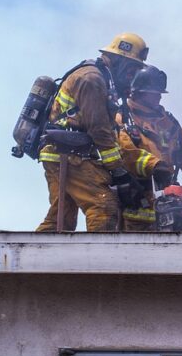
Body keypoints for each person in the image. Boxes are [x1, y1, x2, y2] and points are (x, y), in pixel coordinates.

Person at [36, 33, 148, 232]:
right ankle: (98, 261)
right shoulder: (92, 79)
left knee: (60, 220)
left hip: (59, 153)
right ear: (118, 60)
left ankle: (37, 260)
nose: (131, 76)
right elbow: (98, 129)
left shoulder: (99, 77)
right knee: (103, 207)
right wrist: (118, 171)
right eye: (131, 69)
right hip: (69, 156)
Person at [116, 65, 182, 231]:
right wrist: (155, 166)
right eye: (155, 93)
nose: (159, 97)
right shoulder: (123, 119)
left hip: (165, 199)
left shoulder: (166, 122)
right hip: (135, 197)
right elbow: (126, 152)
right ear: (140, 93)